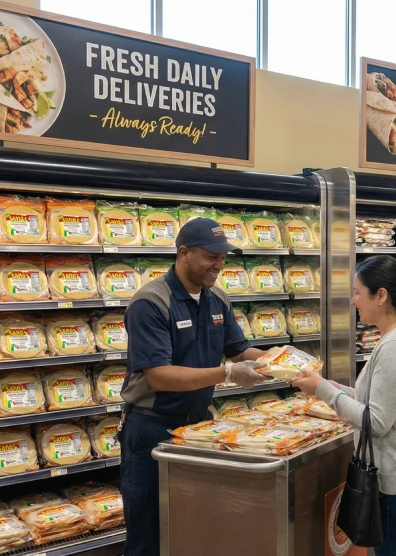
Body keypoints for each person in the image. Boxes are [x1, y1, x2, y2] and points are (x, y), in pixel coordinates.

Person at [119, 218, 269, 556]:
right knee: (149, 532)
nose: (219, 265)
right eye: (211, 257)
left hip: (199, 426)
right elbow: (159, 376)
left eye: (223, 257)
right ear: (183, 253)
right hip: (151, 429)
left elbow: (238, 348)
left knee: (195, 525)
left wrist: (280, 360)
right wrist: (228, 373)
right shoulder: (151, 302)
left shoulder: (217, 297)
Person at [292, 255, 396, 556]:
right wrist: (336, 389)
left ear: (381, 295)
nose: (353, 300)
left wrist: (322, 390)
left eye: (358, 292)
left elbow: (378, 422)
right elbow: (384, 399)